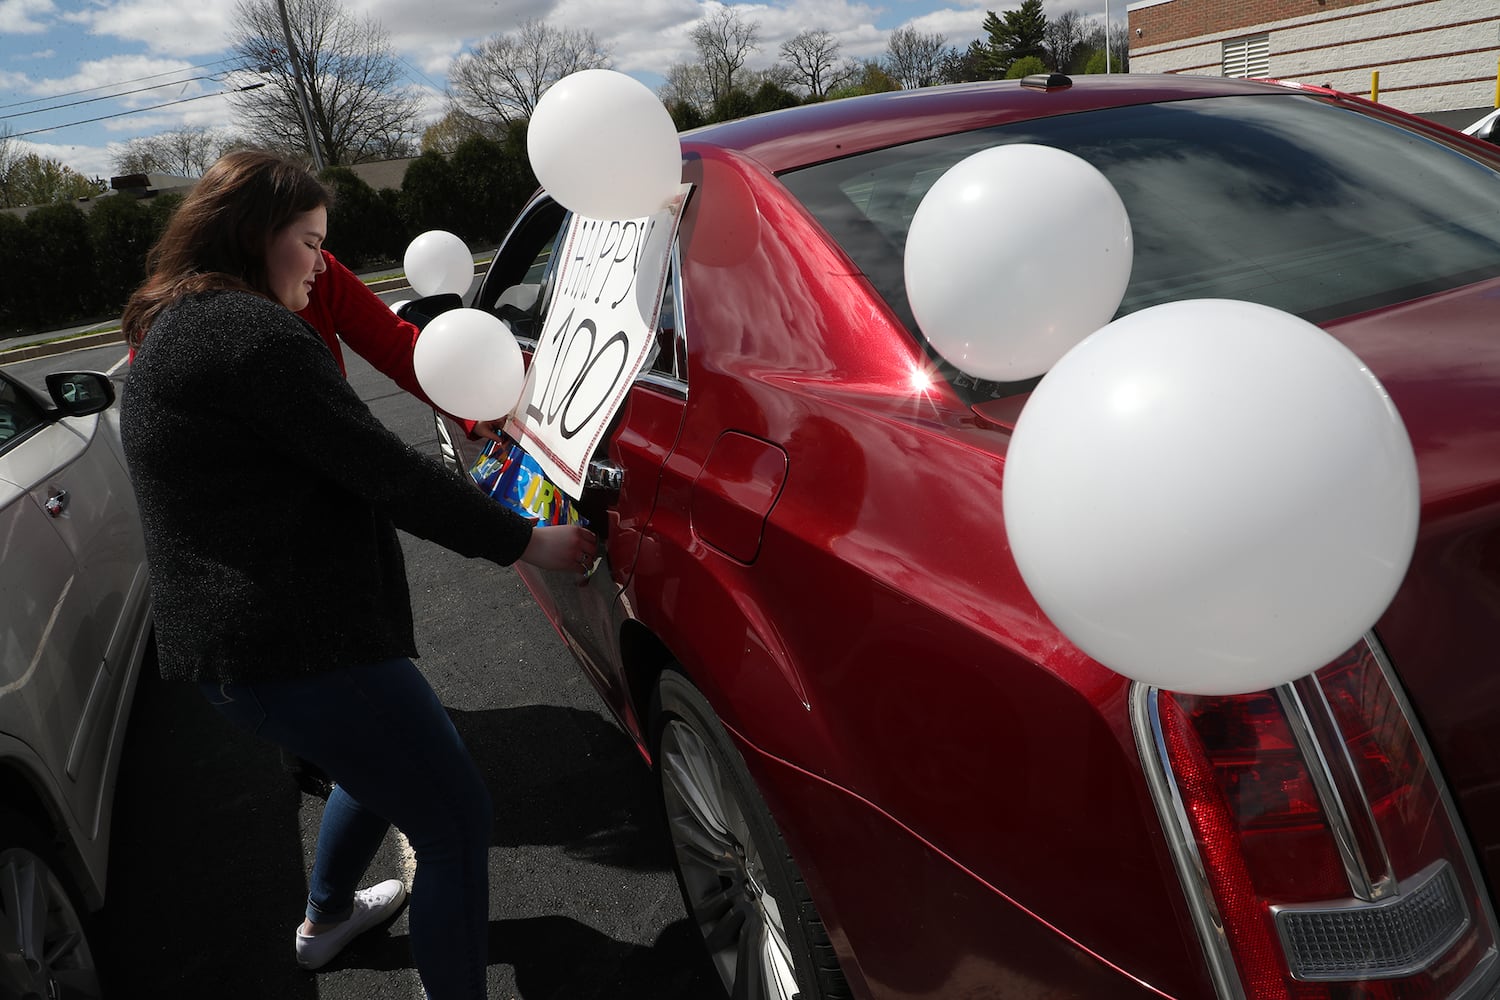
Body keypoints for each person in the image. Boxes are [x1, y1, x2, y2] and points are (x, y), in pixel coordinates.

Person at [119, 148, 597, 999]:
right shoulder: (252, 336)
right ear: (256, 236)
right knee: (454, 821)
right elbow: (385, 469)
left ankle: (327, 918)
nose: (323, 264)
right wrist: (526, 540)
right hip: (295, 643)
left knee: (379, 766)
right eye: (310, 243)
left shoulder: (186, 322)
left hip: (256, 645)